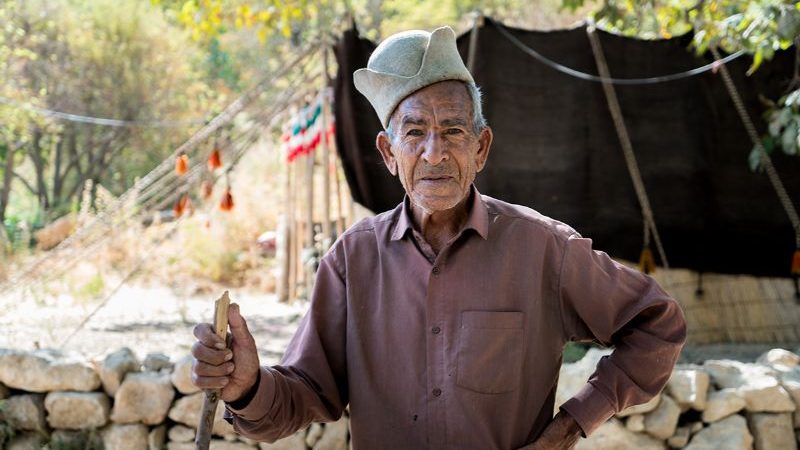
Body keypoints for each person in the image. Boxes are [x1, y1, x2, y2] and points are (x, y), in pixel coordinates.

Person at [191, 26, 687, 450]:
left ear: (481, 147)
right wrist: (247, 386)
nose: (434, 153)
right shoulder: (353, 260)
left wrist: (572, 424)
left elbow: (657, 325)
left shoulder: (542, 249)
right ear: (389, 153)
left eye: (453, 130)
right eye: (415, 133)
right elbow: (303, 395)